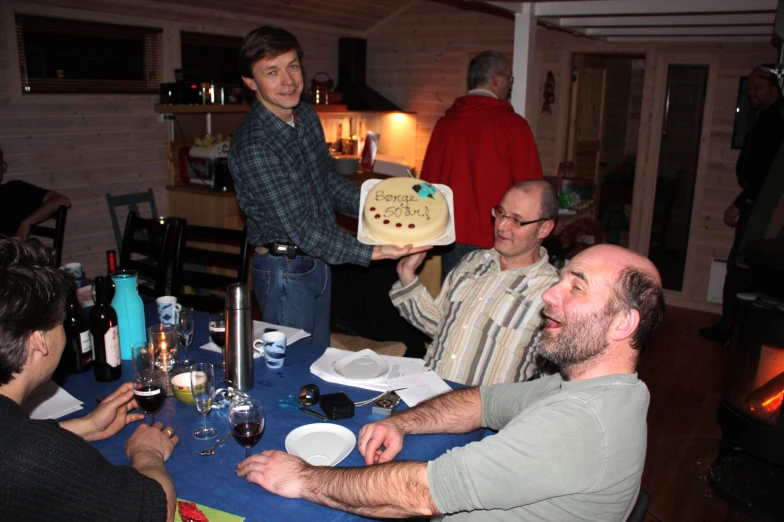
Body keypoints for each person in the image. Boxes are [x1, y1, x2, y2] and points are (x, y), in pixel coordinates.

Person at [236, 244, 665, 521]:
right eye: (559, 280)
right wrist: (402, 424)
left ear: (622, 324)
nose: (549, 295)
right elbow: (483, 402)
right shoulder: (594, 384)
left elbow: (421, 493)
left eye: (576, 288)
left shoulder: (578, 423)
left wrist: (305, 478)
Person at [229, 26, 426, 346]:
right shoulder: (255, 145)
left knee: (318, 356)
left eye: (293, 66)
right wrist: (375, 250)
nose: (289, 80)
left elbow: (330, 183)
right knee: (292, 367)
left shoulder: (304, 115)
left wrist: (385, 210)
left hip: (317, 262)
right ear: (251, 82)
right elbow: (301, 230)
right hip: (284, 272)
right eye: (272, 72)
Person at [0, 236, 179, 522]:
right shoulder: (37, 454)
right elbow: (159, 511)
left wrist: (86, 426)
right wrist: (147, 453)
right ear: (38, 340)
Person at [389, 180, 559, 385]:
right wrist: (406, 273)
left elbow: (556, 375)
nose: (502, 226)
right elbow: (439, 326)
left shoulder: (553, 291)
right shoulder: (473, 261)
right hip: (428, 391)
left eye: (516, 220)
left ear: (544, 229)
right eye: (501, 213)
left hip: (481, 411)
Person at [420, 50, 543, 280]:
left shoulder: (445, 124)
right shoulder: (513, 125)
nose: (510, 84)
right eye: (509, 78)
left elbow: (426, 184)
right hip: (498, 237)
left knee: (454, 306)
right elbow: (532, 189)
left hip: (451, 236)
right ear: (496, 79)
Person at [700, 65, 784, 344]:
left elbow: (767, 175)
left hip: (761, 207)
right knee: (741, 265)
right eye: (749, 89)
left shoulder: (777, 120)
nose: (751, 94)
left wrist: (742, 201)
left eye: (757, 88)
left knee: (742, 265)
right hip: (752, 200)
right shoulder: (764, 118)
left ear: (775, 88)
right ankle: (730, 325)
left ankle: (733, 327)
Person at [0, 146, 71, 238]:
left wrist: (28, 221)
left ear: (4, 167)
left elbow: (62, 200)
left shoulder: (14, 190)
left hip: (10, 250)